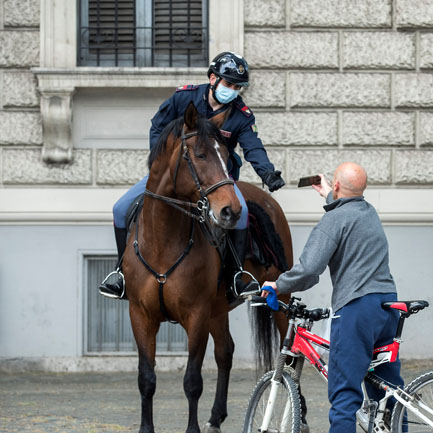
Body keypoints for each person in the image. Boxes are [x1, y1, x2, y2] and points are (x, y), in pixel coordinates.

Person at [99, 51, 285, 300]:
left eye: (237, 87)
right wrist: (161, 163)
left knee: (241, 215)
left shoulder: (241, 115)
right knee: (120, 209)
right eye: (228, 84)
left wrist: (268, 173)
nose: (232, 90)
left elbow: (253, 147)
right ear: (212, 78)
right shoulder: (183, 98)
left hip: (216, 180)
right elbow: (158, 126)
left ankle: (236, 276)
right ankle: (122, 273)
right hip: (173, 174)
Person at [261, 162, 403, 433]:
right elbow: (348, 208)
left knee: (344, 396)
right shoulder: (368, 212)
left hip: (357, 310)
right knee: (389, 393)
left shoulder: (333, 221)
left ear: (338, 185)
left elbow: (309, 270)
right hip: (387, 307)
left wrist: (278, 285)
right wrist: (328, 193)